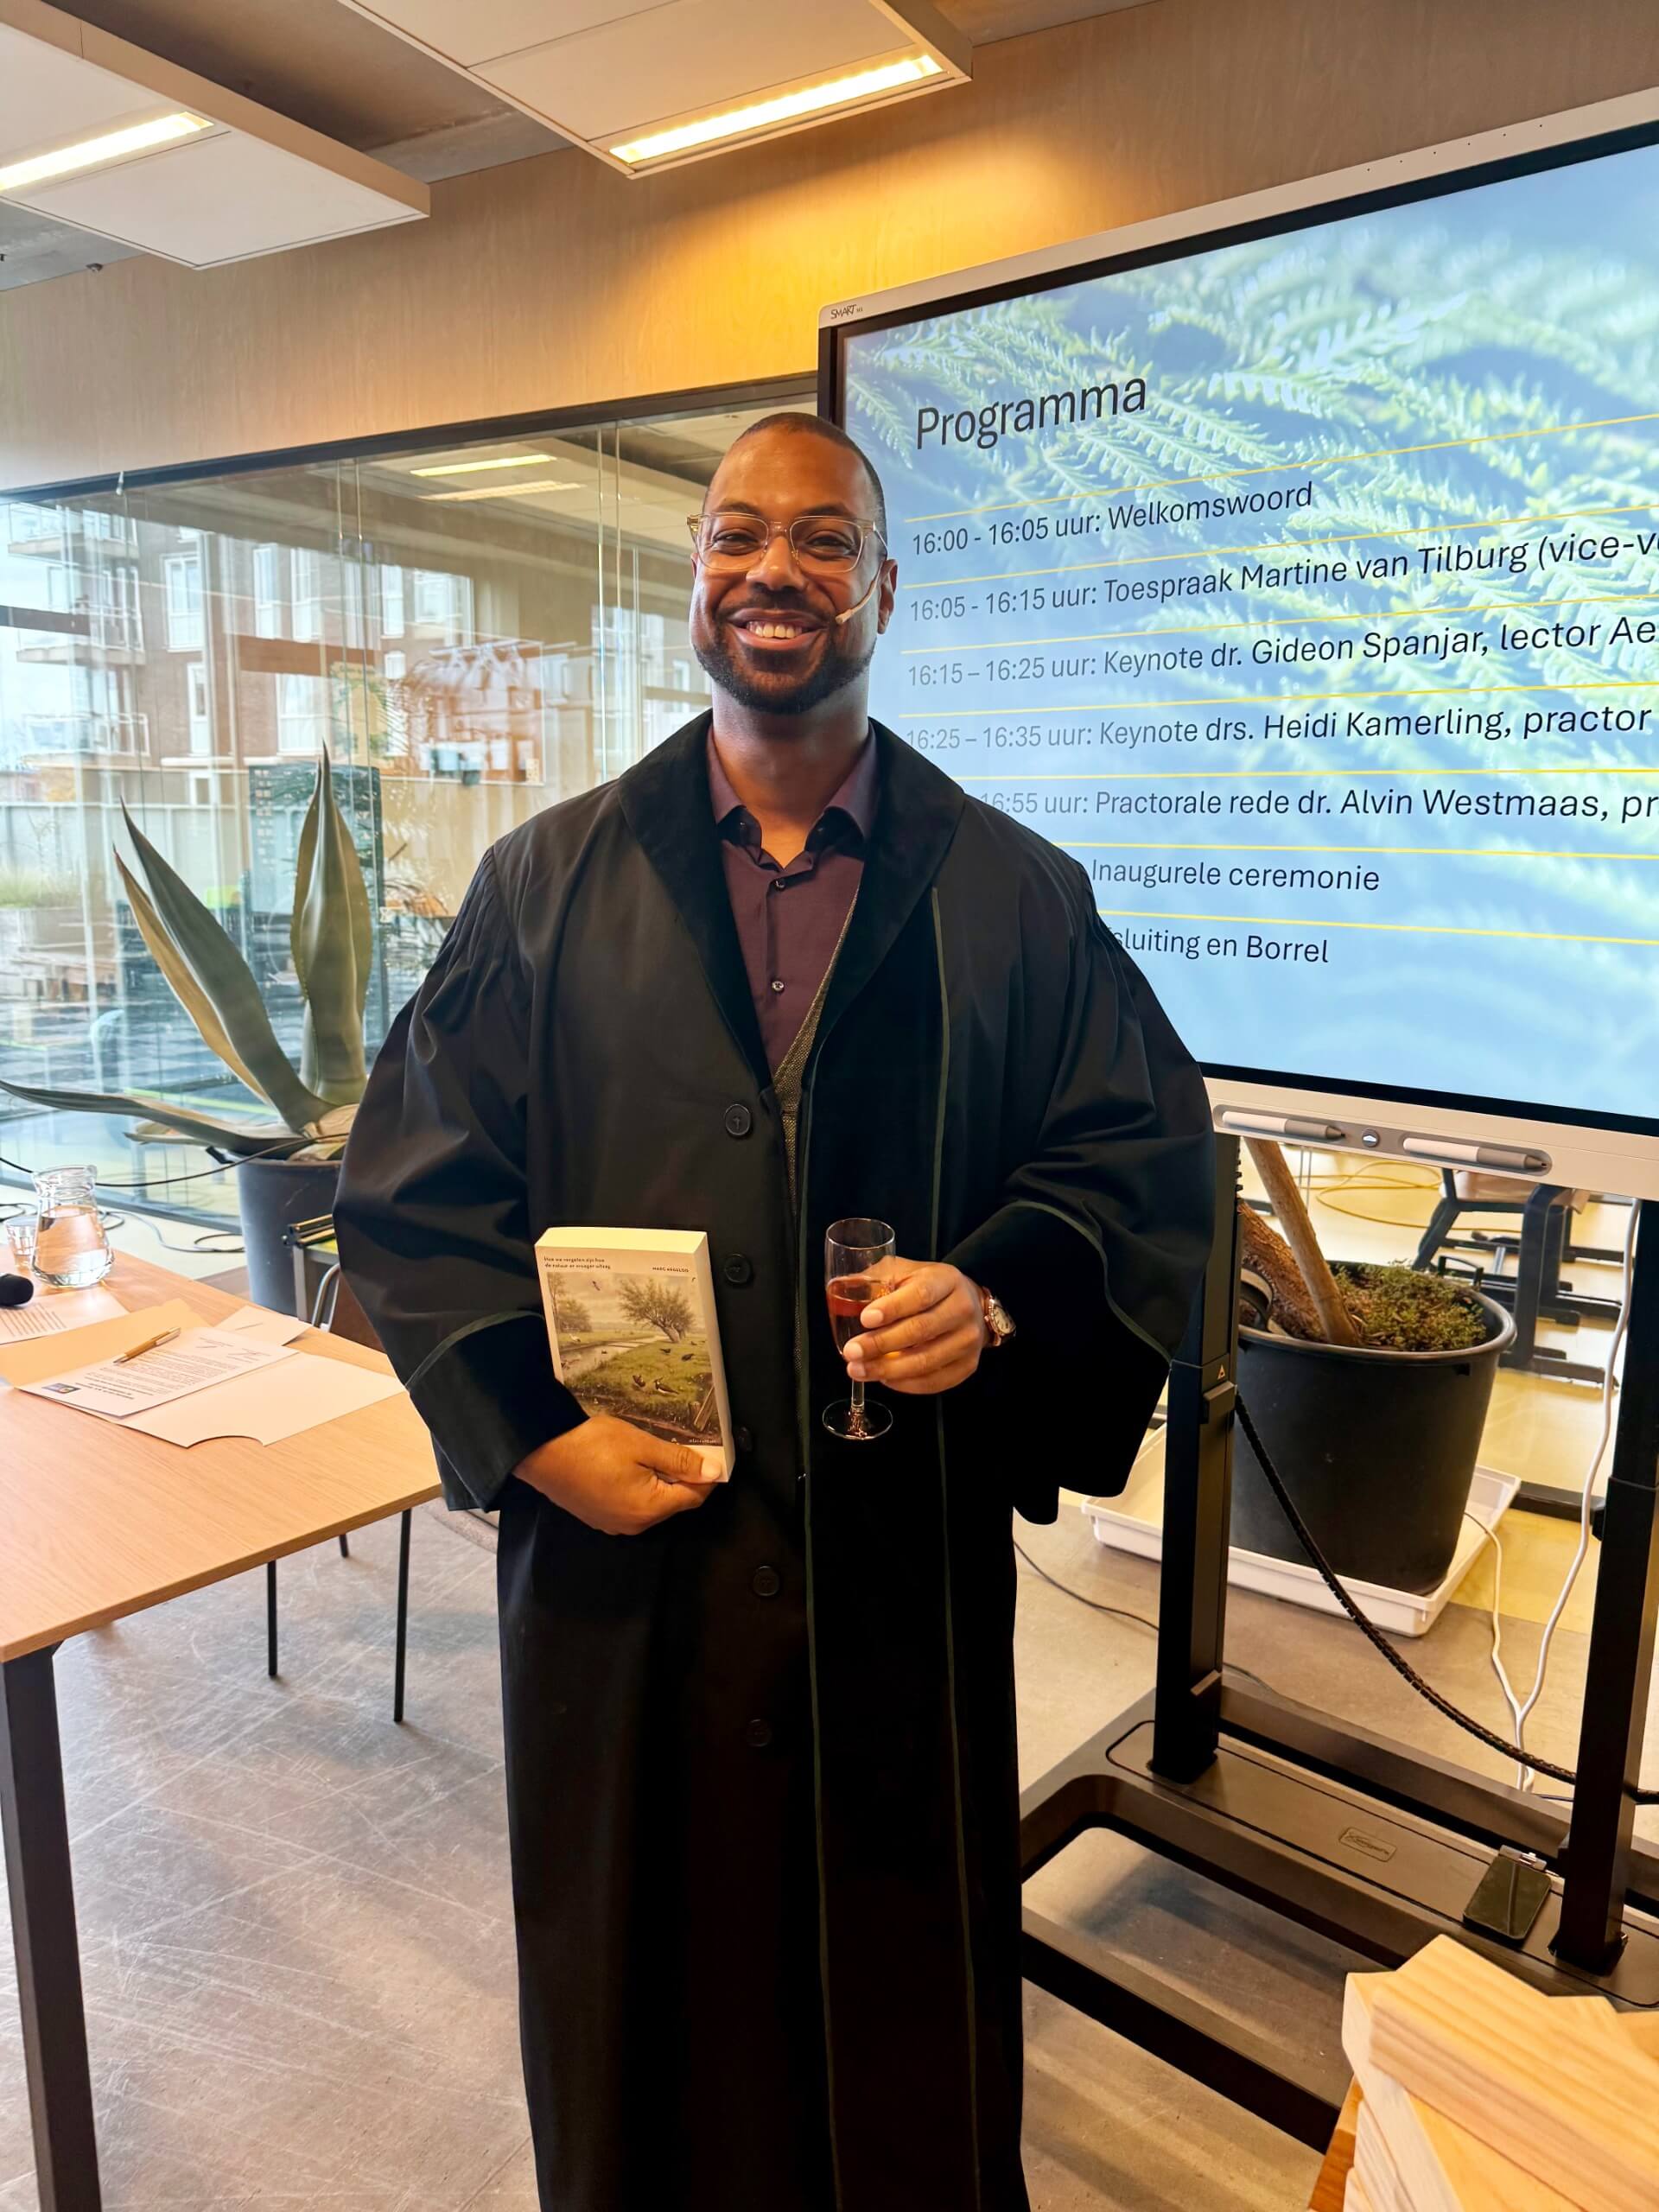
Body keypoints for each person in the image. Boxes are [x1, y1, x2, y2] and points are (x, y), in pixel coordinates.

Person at [334, 412, 1215, 2212]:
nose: (775, 571)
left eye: (822, 540)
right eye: (738, 534)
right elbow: (415, 1195)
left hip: (900, 1574)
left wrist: (995, 1292)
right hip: (624, 1573)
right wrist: (533, 1435)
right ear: (695, 579)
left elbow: (1141, 1164)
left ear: (883, 586)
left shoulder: (1014, 895)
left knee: (895, 2043)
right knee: (638, 2004)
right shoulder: (546, 884)